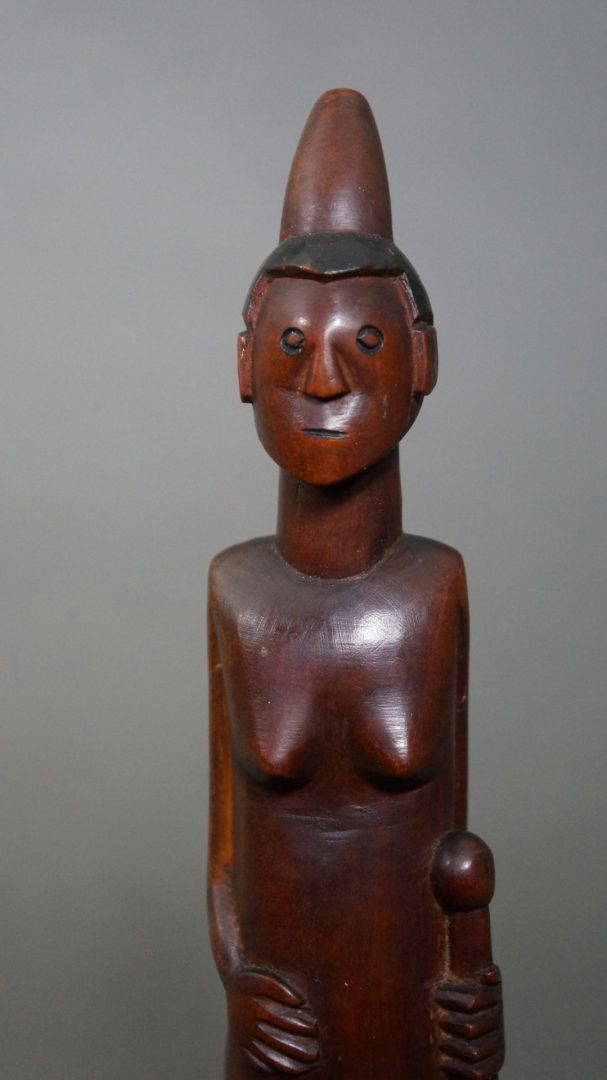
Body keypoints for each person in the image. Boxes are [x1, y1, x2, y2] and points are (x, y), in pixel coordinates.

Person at [207, 89, 504, 1079]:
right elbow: (223, 857)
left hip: (410, 1019)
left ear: (421, 360)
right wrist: (234, 976)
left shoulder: (434, 588)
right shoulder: (236, 590)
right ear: (245, 364)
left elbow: (456, 850)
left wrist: (472, 986)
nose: (325, 379)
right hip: (278, 1028)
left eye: (364, 343)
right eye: (292, 343)